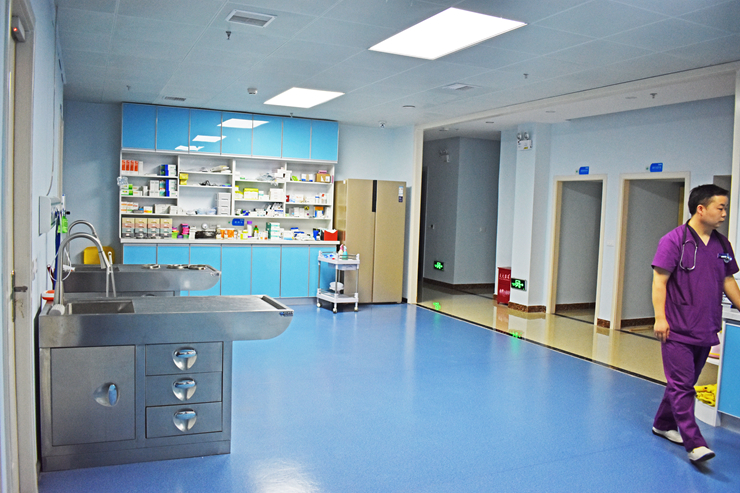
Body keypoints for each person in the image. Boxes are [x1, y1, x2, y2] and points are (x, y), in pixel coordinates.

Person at [651, 184, 740, 463]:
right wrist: (660, 318)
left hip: (705, 325)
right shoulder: (674, 240)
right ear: (701, 209)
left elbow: (728, 280)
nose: (724, 213)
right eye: (720, 207)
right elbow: (659, 282)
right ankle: (694, 443)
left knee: (684, 381)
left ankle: (663, 423)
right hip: (677, 326)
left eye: (725, 208)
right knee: (683, 385)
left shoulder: (722, 245)